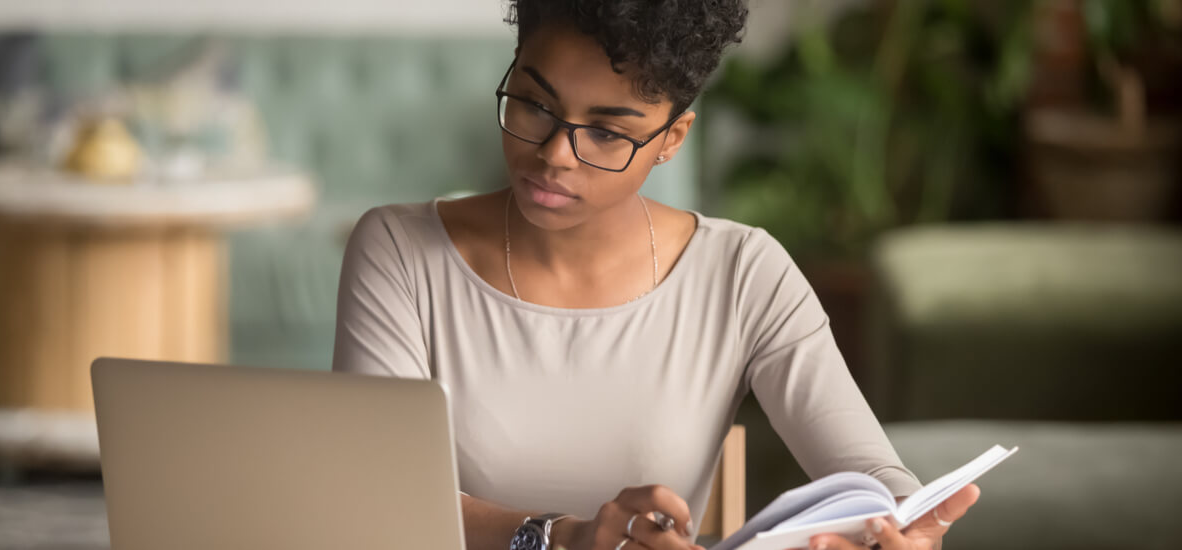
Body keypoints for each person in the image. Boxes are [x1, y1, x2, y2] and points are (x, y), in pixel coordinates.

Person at [332, 1, 980, 549]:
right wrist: (566, 538)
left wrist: (901, 526)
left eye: (607, 133)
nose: (555, 155)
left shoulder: (742, 272)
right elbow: (373, 495)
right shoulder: (400, 250)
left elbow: (870, 473)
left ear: (672, 138)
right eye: (533, 104)